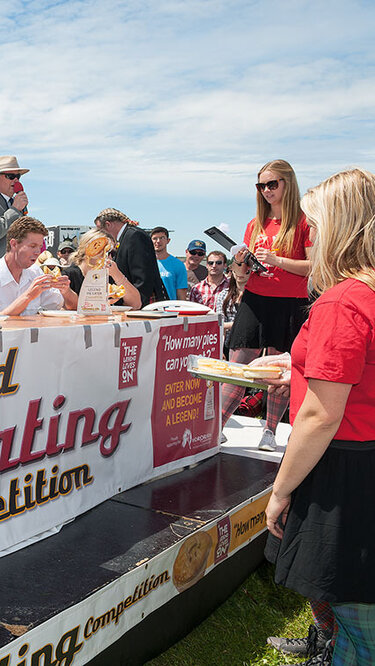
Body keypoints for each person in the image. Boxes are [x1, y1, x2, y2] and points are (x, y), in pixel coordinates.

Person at [264, 168, 375, 665]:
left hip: (344, 467)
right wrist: (298, 369)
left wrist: (280, 490)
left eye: (315, 225)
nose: (308, 236)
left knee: (357, 623)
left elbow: (319, 416)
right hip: (363, 453)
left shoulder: (343, 299)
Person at [220, 159, 313, 452]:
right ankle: (215, 426)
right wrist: (239, 263)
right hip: (256, 299)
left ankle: (269, 431)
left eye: (272, 184)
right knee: (238, 364)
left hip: (291, 303)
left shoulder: (303, 221)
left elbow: (314, 266)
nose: (266, 191)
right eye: (261, 185)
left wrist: (278, 261)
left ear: (288, 183)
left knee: (277, 368)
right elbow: (241, 275)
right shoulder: (255, 223)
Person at [0, 216, 74, 314]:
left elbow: (69, 306)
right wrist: (28, 296)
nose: (38, 252)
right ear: (14, 244)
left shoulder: (36, 272)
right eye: (32, 246)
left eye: (40, 247)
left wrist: (65, 290)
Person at [93, 208, 169, 304]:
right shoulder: (125, 237)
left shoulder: (135, 236)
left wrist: (137, 303)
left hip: (144, 302)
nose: (101, 234)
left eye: (101, 230)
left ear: (108, 224)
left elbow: (142, 276)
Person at [61, 228, 141, 310]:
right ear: (89, 249)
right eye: (105, 251)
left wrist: (117, 275)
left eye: (112, 253)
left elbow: (136, 304)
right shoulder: (69, 275)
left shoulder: (110, 275)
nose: (109, 257)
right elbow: (70, 307)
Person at [149, 227, 188, 300]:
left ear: (168, 240)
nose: (158, 241)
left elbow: (181, 295)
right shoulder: (144, 263)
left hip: (170, 309)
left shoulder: (178, 265)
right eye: (155, 238)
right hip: (149, 309)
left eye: (162, 238)